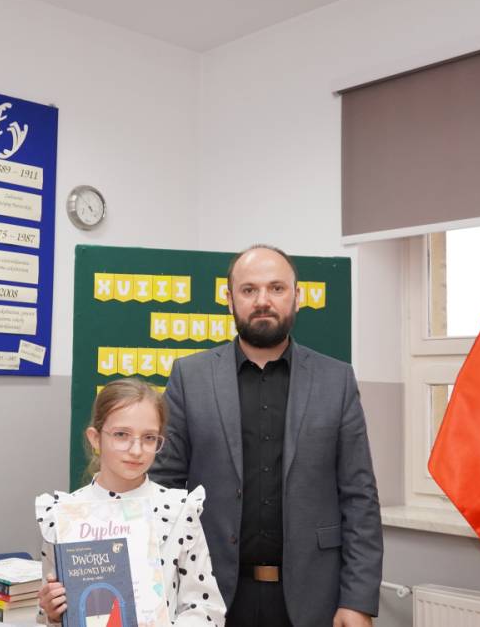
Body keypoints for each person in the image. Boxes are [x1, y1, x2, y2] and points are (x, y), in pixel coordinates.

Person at [148, 245, 382, 627]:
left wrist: (357, 600)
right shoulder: (190, 378)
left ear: (297, 297)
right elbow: (162, 489)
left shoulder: (336, 380)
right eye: (249, 290)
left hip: (312, 599)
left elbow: (360, 498)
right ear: (229, 300)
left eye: (276, 288)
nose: (263, 301)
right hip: (208, 594)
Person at [36, 378, 227, 626]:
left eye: (149, 438)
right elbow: (51, 613)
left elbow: (206, 608)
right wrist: (53, 613)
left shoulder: (179, 512)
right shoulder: (64, 515)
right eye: (121, 435)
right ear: (95, 438)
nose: (136, 450)